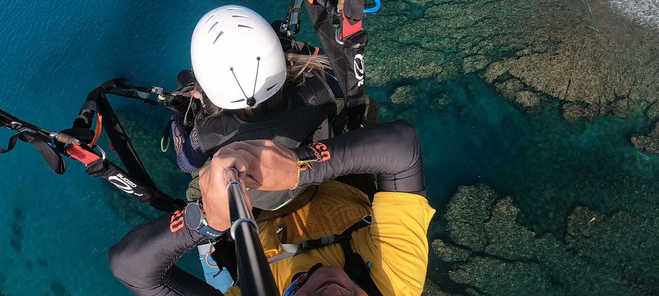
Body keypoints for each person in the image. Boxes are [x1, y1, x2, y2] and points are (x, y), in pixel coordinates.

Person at [109, 120, 434, 296]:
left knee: (203, 175)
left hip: (247, 218)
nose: (336, 294)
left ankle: (190, 135)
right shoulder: (394, 283)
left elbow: (130, 267)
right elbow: (402, 147)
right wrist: (300, 166)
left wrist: (208, 221)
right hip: (326, 185)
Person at [169, 5, 344, 211]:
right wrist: (292, 47)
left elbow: (186, 163)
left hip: (259, 199)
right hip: (304, 177)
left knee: (197, 176)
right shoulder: (316, 92)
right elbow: (338, 73)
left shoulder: (208, 134)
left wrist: (178, 116)